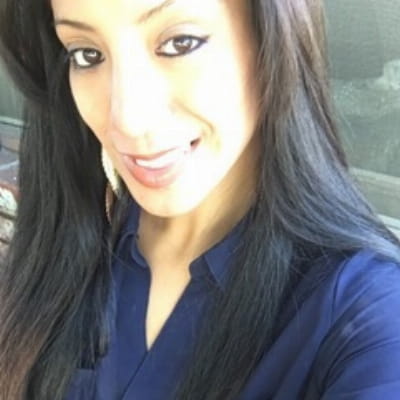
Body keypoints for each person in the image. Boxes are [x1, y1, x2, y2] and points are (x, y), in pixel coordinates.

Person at [0, 0, 400, 399]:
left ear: (273, 38)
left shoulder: (368, 318)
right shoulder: (69, 239)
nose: (128, 119)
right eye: (87, 55)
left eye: (180, 43)